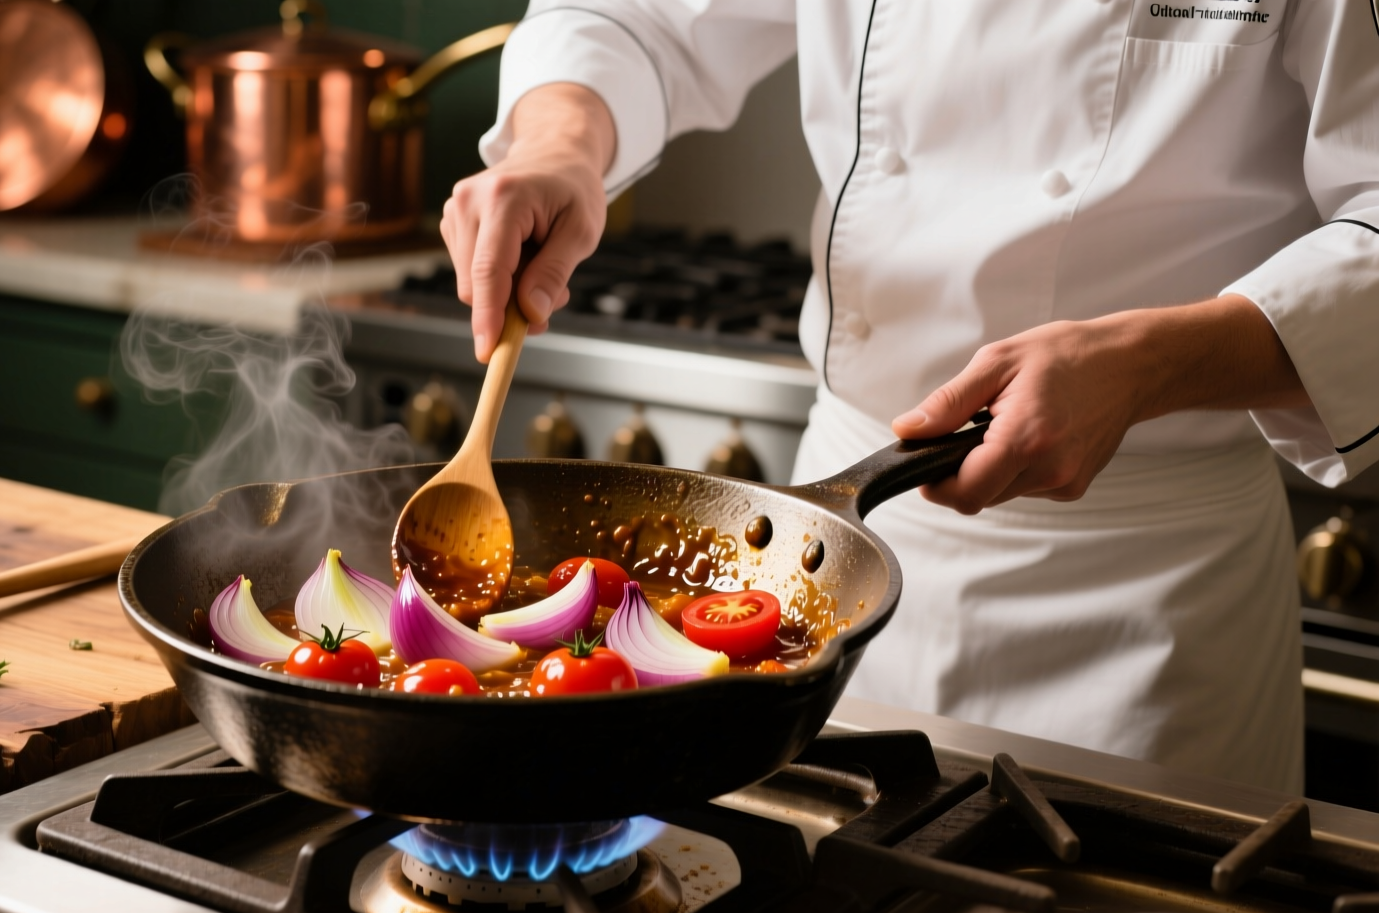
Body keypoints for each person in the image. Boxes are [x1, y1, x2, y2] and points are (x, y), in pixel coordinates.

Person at [439, 0, 1379, 793]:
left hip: (1151, 603)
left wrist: (1147, 361)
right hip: (829, 562)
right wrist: (562, 145)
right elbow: (635, 20)